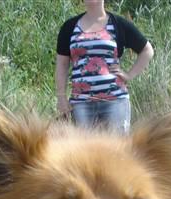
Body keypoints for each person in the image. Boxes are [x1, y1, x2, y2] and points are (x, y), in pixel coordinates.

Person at [55, 0, 154, 133]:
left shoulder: (118, 24)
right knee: (83, 152)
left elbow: (147, 51)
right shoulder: (69, 27)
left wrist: (129, 75)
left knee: (117, 150)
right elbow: (62, 65)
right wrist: (61, 97)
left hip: (115, 102)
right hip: (81, 104)